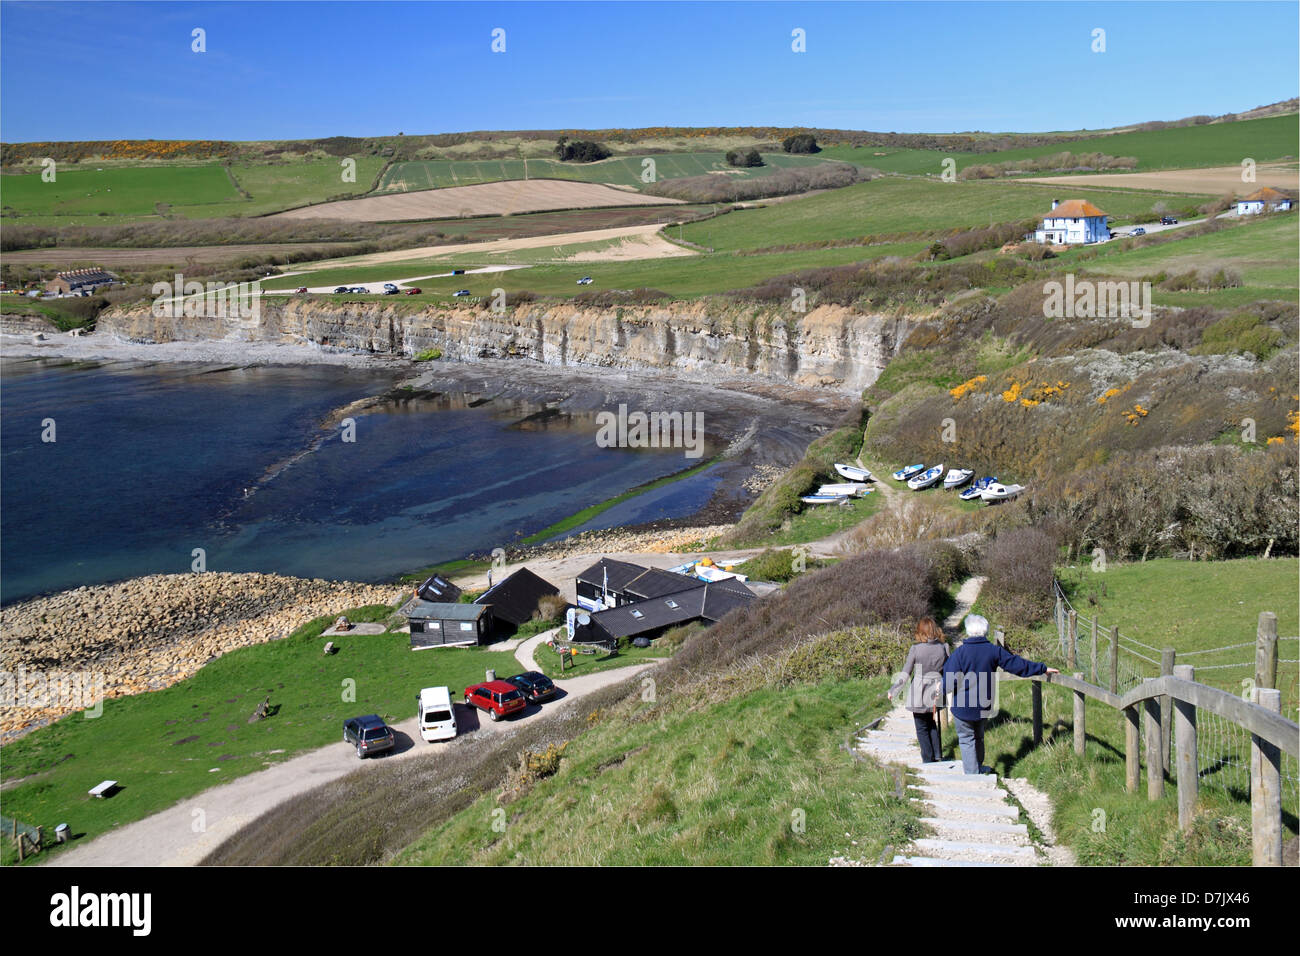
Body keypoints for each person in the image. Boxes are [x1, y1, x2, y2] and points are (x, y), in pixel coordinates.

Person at [943, 614, 1059, 774]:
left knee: (966, 739)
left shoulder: (959, 653)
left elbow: (950, 681)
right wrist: (1042, 668)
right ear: (985, 631)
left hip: (962, 705)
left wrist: (939, 692)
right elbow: (1017, 665)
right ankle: (977, 767)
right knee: (979, 736)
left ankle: (972, 774)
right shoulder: (994, 651)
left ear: (968, 631)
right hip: (984, 704)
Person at [888, 617, 950, 763]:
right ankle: (937, 755)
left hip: (919, 691)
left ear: (920, 631)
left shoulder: (916, 649)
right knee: (932, 723)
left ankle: (927, 759)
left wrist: (894, 690)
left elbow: (906, 672)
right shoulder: (944, 647)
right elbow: (949, 670)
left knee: (921, 726)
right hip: (937, 689)